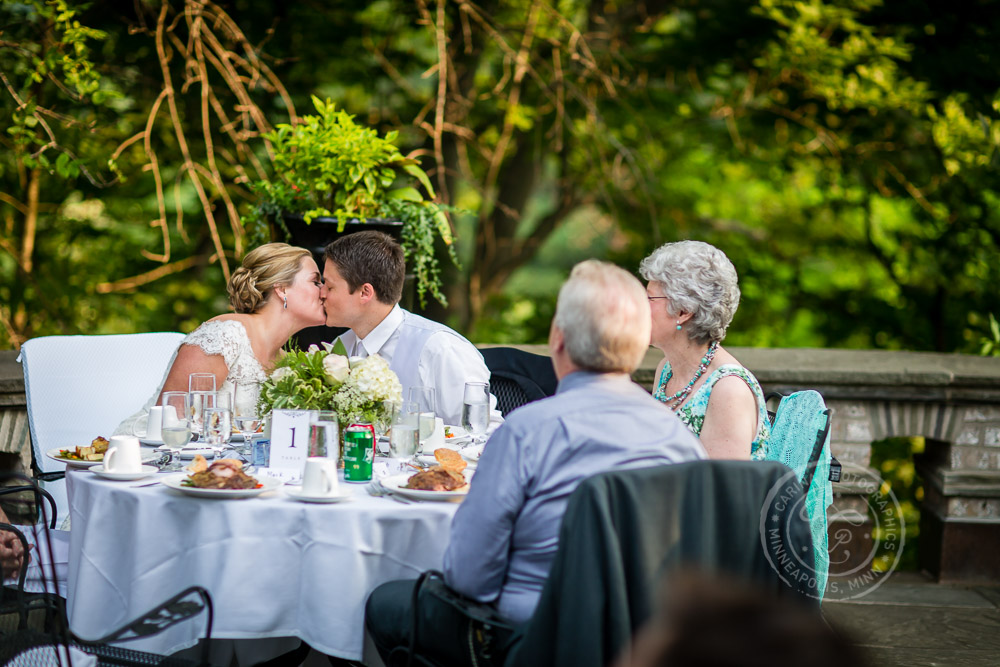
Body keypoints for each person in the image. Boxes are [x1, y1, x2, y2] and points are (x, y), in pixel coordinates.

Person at [365, 260, 706, 666]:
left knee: (386, 602)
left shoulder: (526, 432)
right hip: (641, 642)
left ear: (558, 340)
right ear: (637, 346)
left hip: (527, 638)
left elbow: (471, 577)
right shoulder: (681, 440)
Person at [116, 243, 327, 435]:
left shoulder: (287, 361)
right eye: (316, 281)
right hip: (144, 458)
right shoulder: (224, 336)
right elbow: (170, 424)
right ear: (281, 289)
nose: (324, 292)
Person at [320, 230, 500, 426]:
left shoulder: (440, 349)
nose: (321, 294)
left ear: (365, 292)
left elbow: (484, 431)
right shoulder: (341, 347)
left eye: (329, 287)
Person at [640, 240, 769, 460]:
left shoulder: (729, 389)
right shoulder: (667, 370)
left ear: (683, 311)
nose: (639, 304)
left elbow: (722, 489)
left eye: (650, 298)